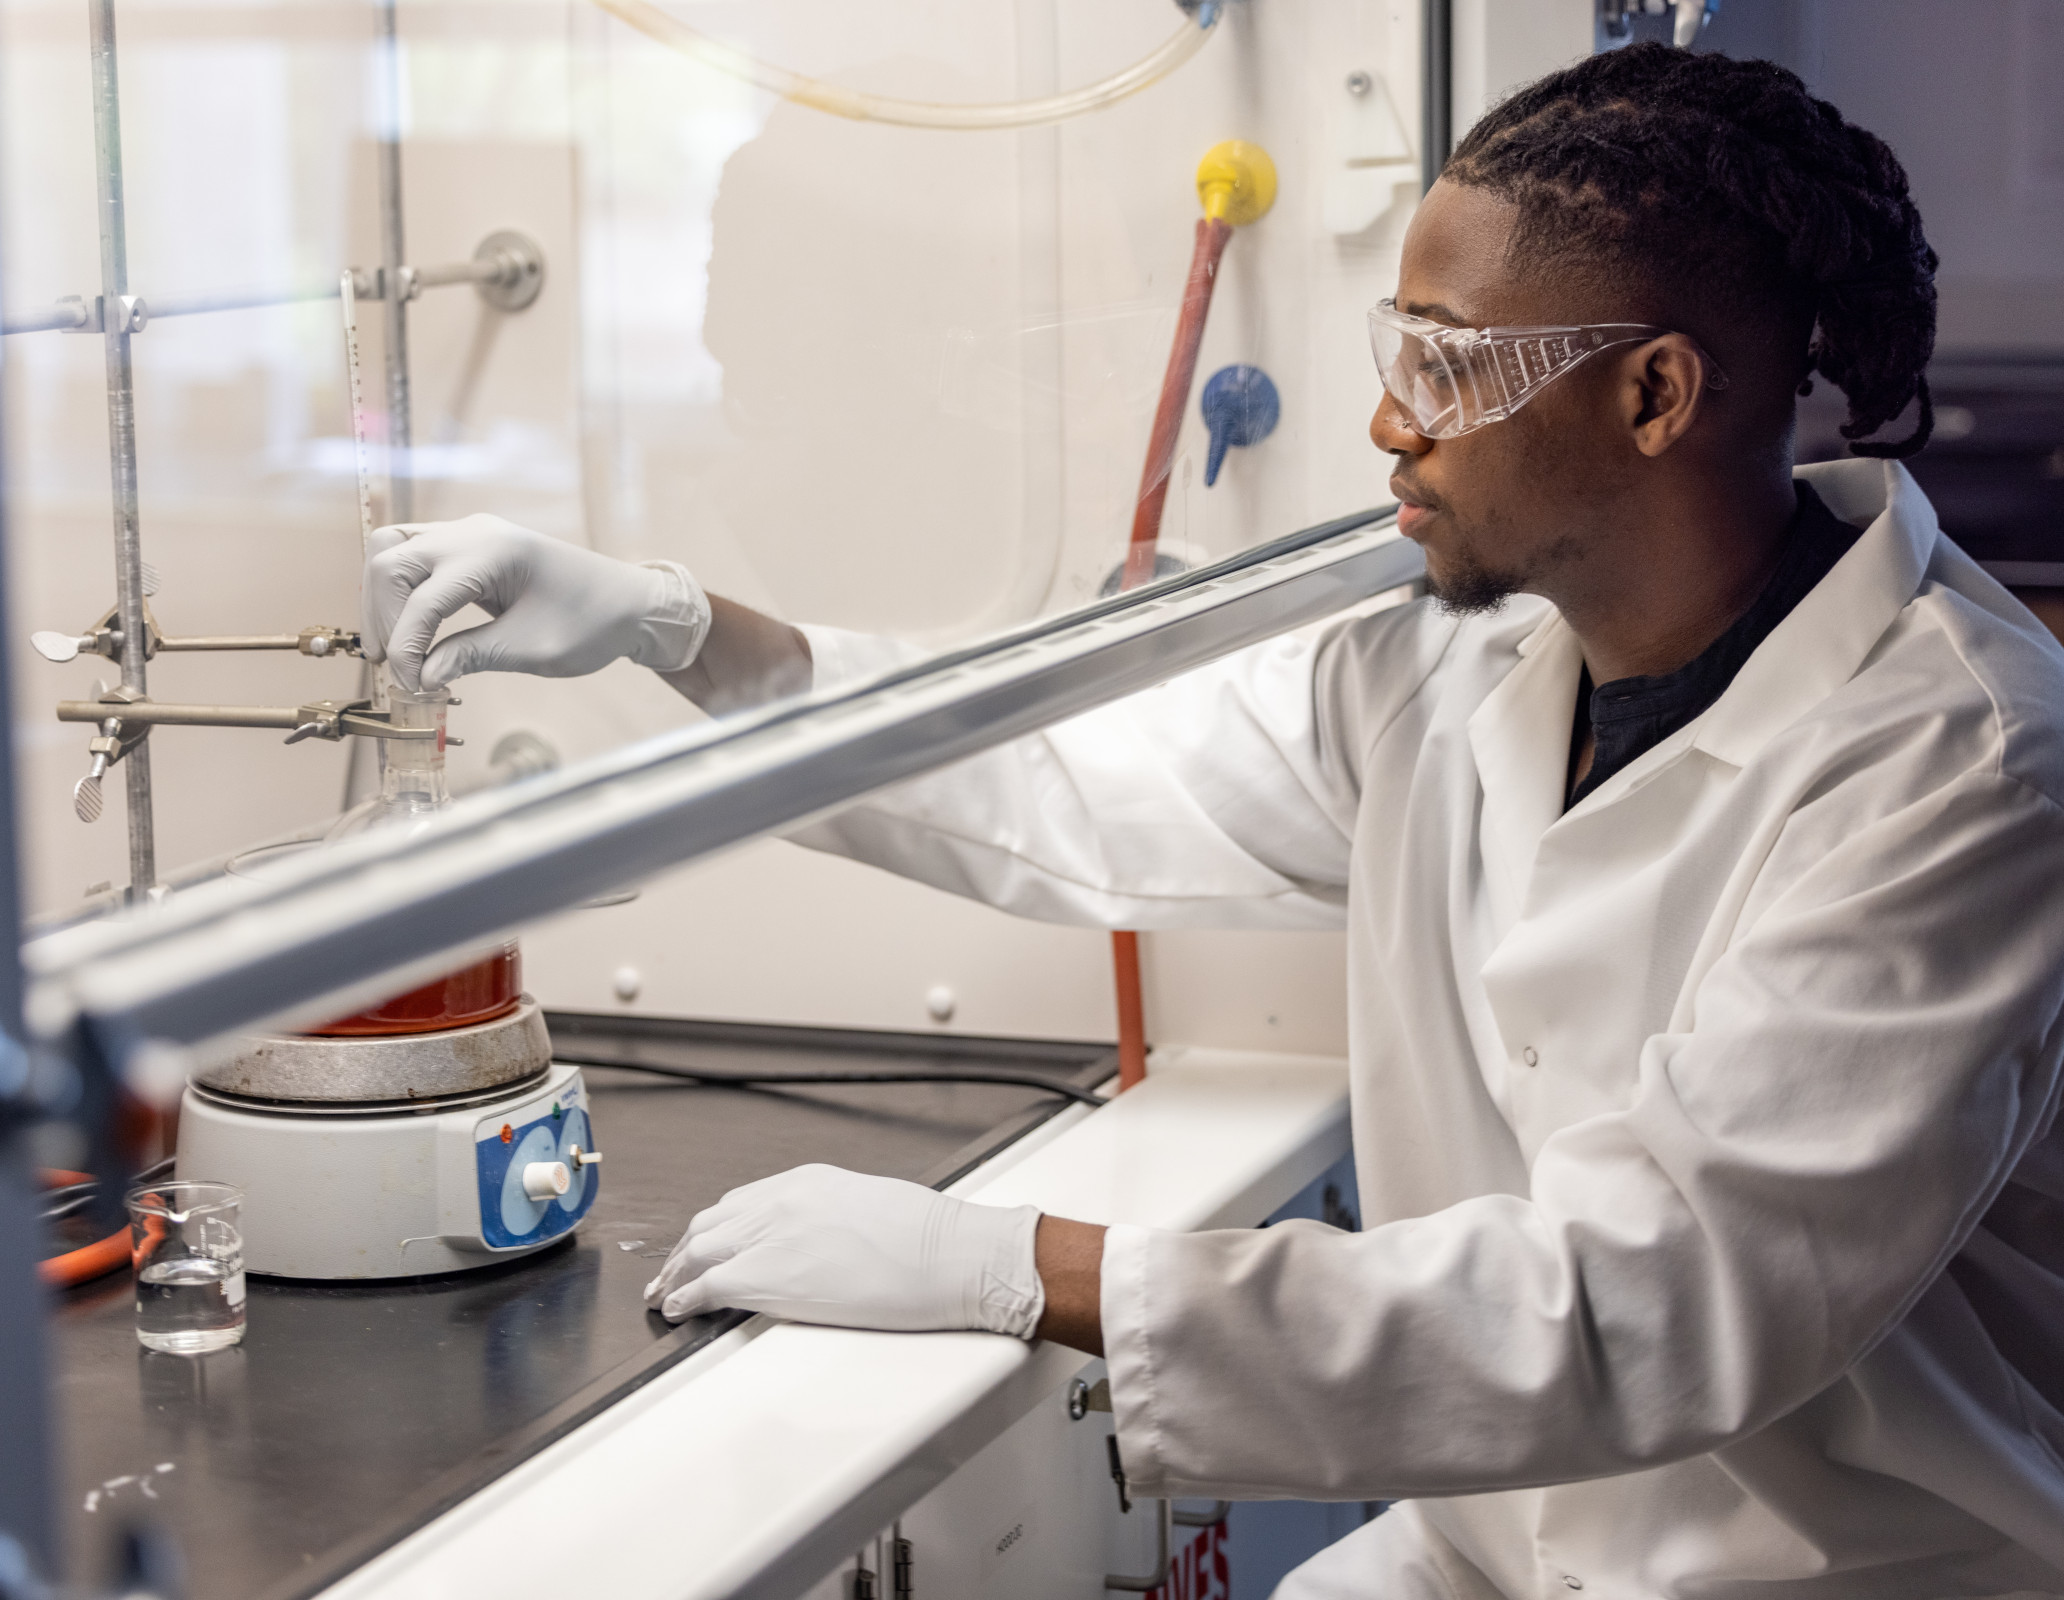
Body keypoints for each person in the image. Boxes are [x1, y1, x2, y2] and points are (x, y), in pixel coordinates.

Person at [362, 46, 2064, 1599]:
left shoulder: (1964, 769)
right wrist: (678, 629)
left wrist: (1012, 1265)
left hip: (1859, 1574)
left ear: (1654, 396)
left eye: (1445, 365)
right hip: (1487, 1561)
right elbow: (1061, 775)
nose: (1390, 420)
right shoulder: (1450, 670)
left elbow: (1649, 1306)